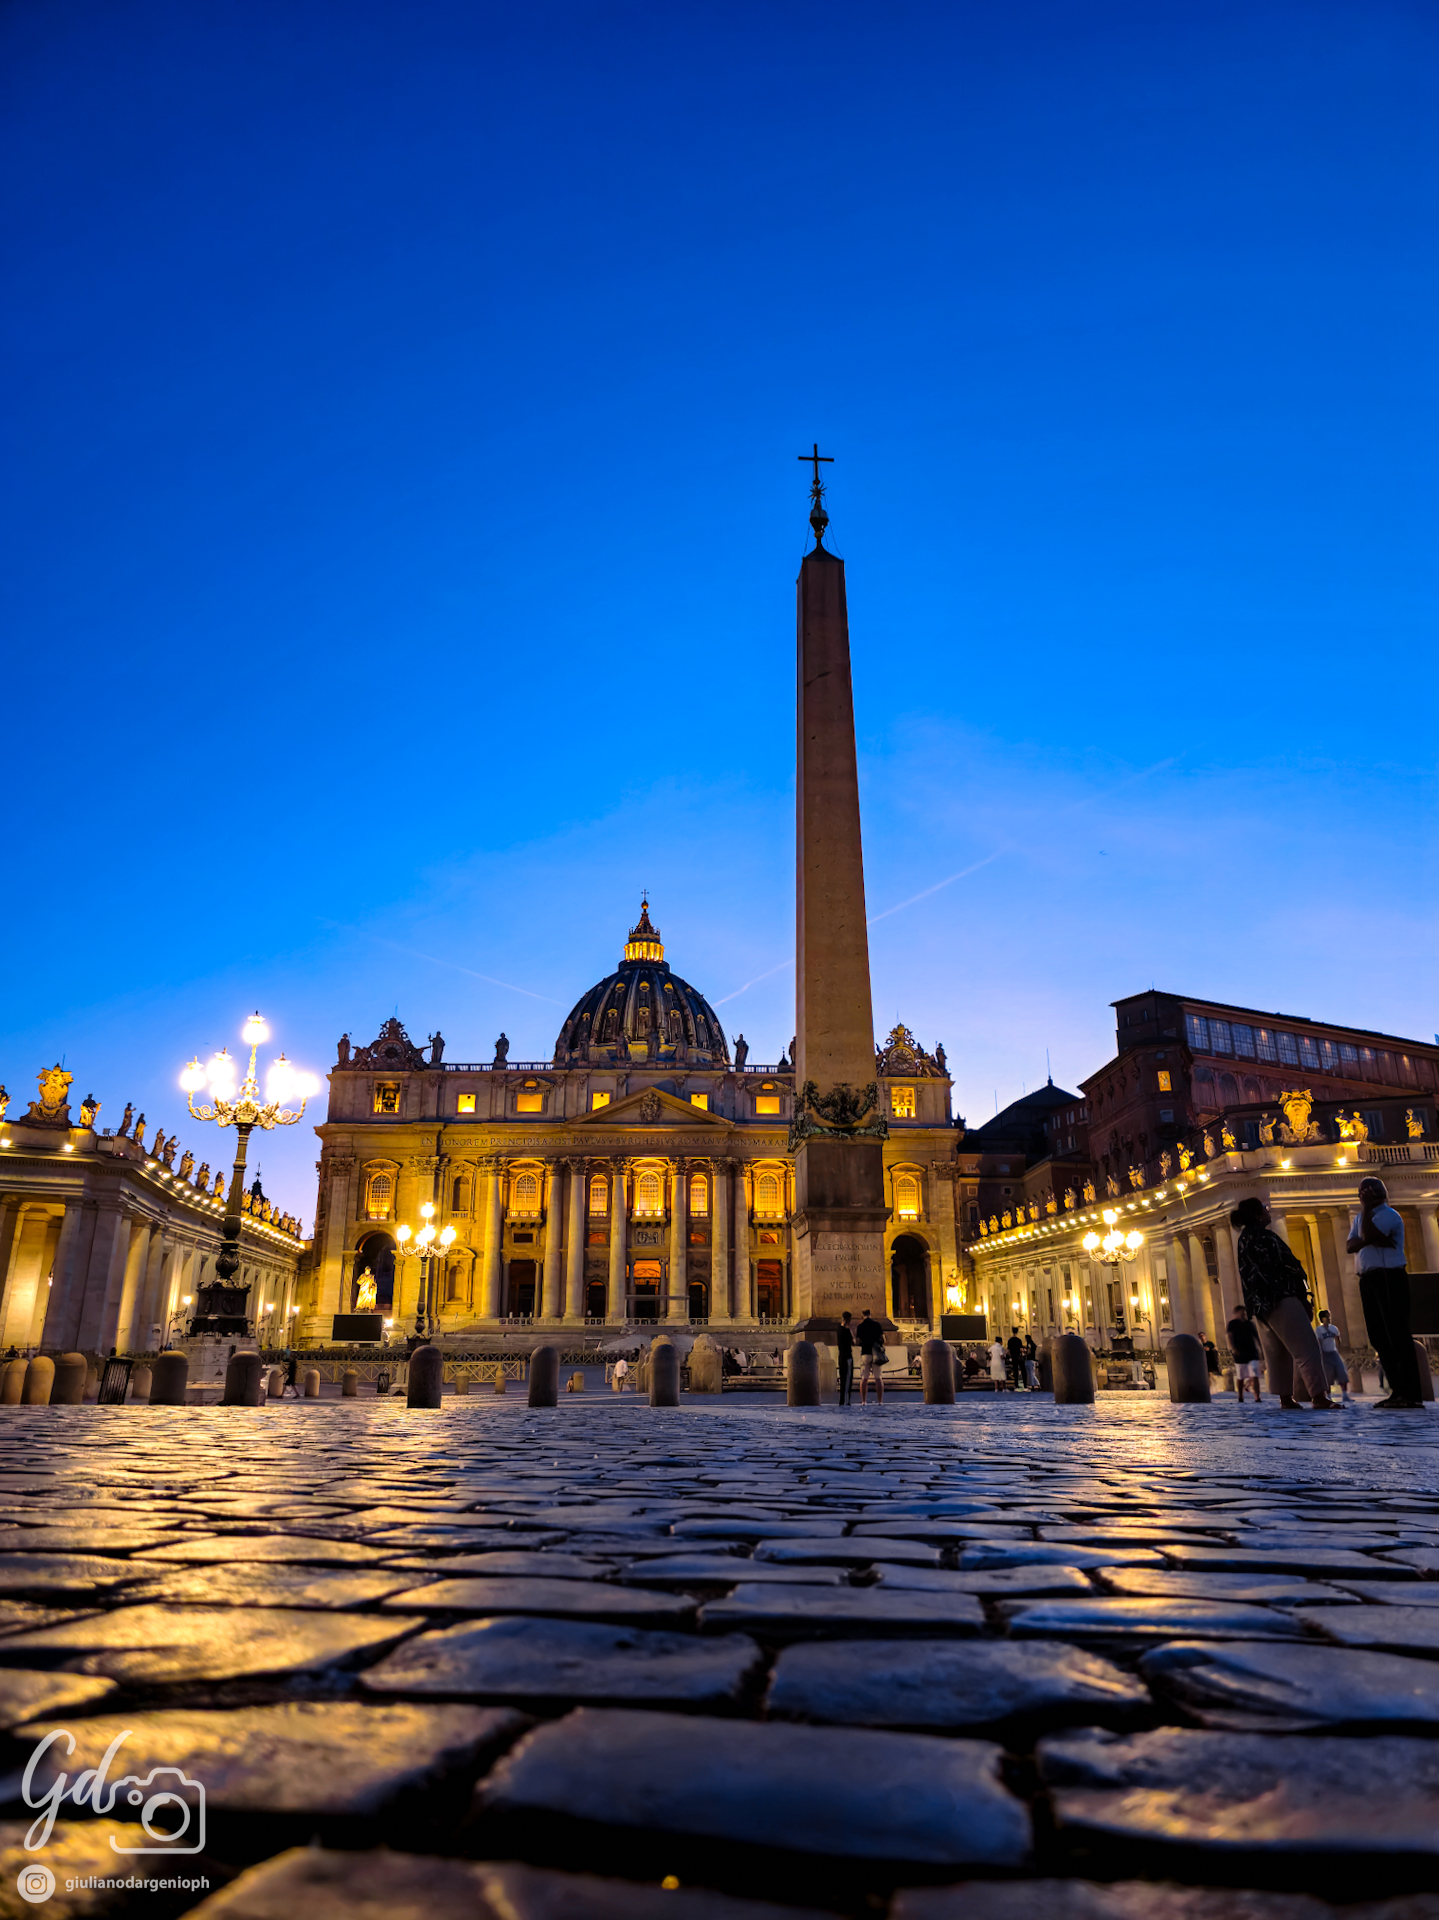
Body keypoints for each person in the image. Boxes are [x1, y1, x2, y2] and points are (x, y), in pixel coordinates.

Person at [1231, 1197, 1335, 1410]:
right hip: (1282, 1298)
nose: (1268, 1211)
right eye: (1264, 1209)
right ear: (1258, 1215)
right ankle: (1319, 1395)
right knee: (1306, 1348)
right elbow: (1292, 1267)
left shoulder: (1244, 1240)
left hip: (1259, 1305)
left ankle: (1285, 1398)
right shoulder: (1267, 1237)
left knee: (1276, 1352)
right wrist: (1303, 1295)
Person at [1347, 1176, 1423, 1409]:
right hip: (1368, 1278)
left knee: (1397, 1333)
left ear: (1377, 1192)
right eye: (1361, 1192)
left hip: (1389, 1276)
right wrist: (1367, 1235)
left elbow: (1367, 1237)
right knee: (1378, 1336)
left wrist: (1367, 1217)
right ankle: (1397, 1391)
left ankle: (1411, 1393)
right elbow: (1350, 1246)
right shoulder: (1360, 1218)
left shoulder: (1390, 1215)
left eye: (1366, 1191)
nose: (1361, 1195)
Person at [1225, 1303, 1264, 1403]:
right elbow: (1229, 1336)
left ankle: (1257, 1396)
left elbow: (1256, 1337)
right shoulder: (1232, 1324)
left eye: (1244, 1312)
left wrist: (1261, 1350)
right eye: (1242, 1312)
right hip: (1240, 1352)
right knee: (1240, 1376)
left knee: (1254, 1374)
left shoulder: (1249, 1323)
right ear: (1237, 1313)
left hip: (1252, 1352)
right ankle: (1240, 1395)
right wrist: (1233, 1348)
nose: (1244, 1314)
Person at [1315, 1309, 1352, 1406]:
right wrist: (1321, 1354)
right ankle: (1329, 1395)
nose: (1328, 1319)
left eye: (1329, 1316)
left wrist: (1339, 1350)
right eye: (1326, 1317)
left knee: (1341, 1372)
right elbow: (1319, 1342)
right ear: (1322, 1318)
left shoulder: (1334, 1328)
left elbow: (1338, 1339)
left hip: (1334, 1352)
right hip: (1325, 1354)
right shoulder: (1319, 1329)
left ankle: (1344, 1395)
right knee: (1328, 1375)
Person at [856, 1308, 886, 1405]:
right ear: (870, 1314)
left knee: (864, 1378)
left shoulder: (860, 1326)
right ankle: (880, 1401)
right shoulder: (877, 1325)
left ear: (863, 1315)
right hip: (876, 1353)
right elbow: (883, 1339)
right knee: (878, 1378)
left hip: (866, 1353)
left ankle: (864, 1401)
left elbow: (858, 1341)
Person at [836, 1311, 855, 1407]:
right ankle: (846, 1400)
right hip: (847, 1357)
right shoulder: (846, 1331)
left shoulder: (838, 1329)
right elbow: (853, 1342)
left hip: (841, 1356)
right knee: (848, 1379)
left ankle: (841, 1400)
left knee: (842, 1379)